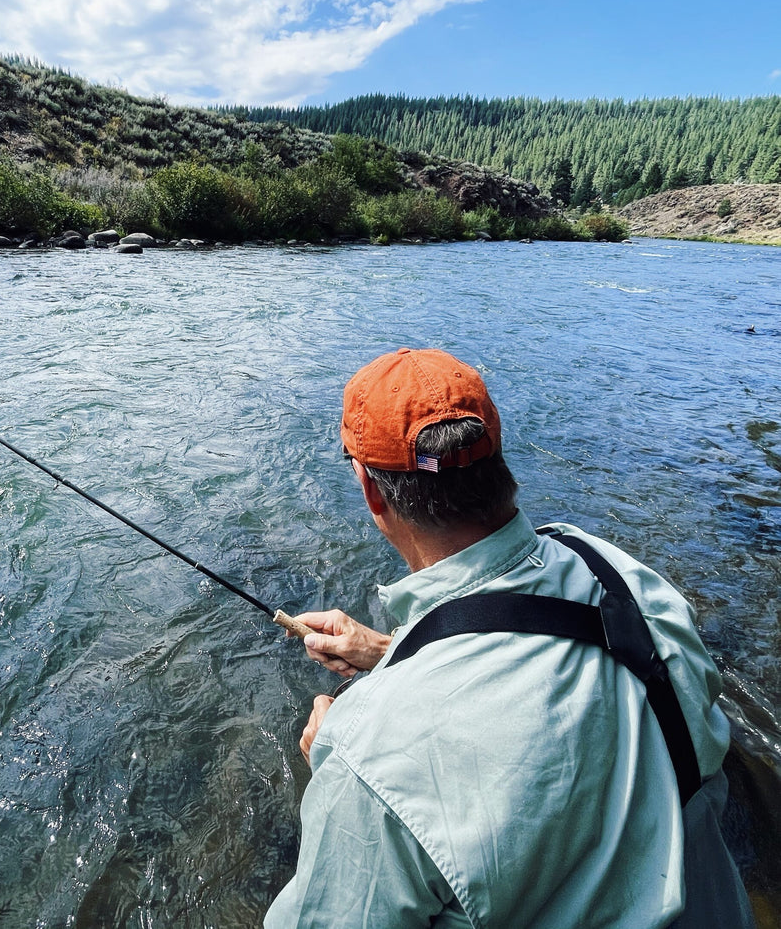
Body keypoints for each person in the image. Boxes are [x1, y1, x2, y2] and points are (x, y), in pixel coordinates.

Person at [266, 348, 752, 928]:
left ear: (372, 492)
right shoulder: (619, 573)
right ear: (494, 455)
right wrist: (391, 652)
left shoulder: (366, 754)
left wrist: (336, 759)